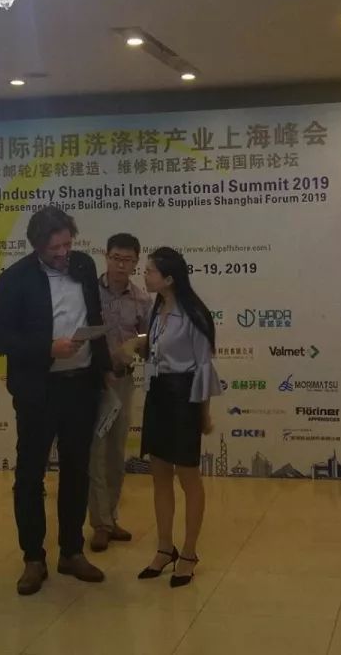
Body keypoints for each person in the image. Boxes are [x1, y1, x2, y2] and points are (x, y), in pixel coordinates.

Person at [0, 206, 112, 596]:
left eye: (67, 244)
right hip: (38, 390)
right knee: (30, 476)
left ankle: (72, 551)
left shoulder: (84, 266)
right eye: (55, 247)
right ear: (37, 245)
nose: (63, 253)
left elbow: (94, 313)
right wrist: (47, 348)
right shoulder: (15, 279)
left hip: (82, 386)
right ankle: (33, 558)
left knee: (77, 470)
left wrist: (104, 366)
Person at [134, 247, 221, 588]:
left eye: (150, 271)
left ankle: (188, 552)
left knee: (188, 477)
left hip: (183, 398)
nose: (145, 275)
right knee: (159, 475)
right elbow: (153, 346)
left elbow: (203, 367)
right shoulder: (156, 308)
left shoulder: (194, 314)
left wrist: (203, 413)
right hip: (157, 395)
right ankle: (164, 547)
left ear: (169, 279)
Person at [88, 233, 151, 552]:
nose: (121, 265)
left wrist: (137, 344)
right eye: (116, 258)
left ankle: (111, 517)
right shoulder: (88, 292)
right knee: (95, 452)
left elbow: (148, 339)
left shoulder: (142, 300)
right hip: (92, 381)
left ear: (136, 263)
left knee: (115, 453)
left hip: (123, 381)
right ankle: (99, 523)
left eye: (128, 260)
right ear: (106, 256)